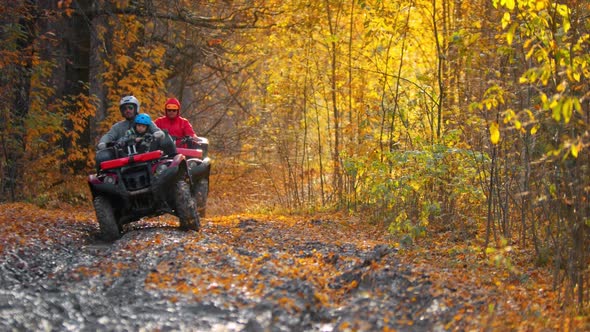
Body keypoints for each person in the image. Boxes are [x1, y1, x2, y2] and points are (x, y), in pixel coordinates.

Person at [95, 96, 175, 169]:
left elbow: (156, 130)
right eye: (124, 109)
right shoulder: (118, 126)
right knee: (102, 155)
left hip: (148, 154)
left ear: (136, 108)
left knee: (166, 138)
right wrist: (103, 143)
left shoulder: (145, 120)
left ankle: (174, 163)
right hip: (124, 157)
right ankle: (106, 178)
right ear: (122, 111)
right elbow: (109, 135)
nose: (128, 110)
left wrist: (157, 133)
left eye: (130, 107)